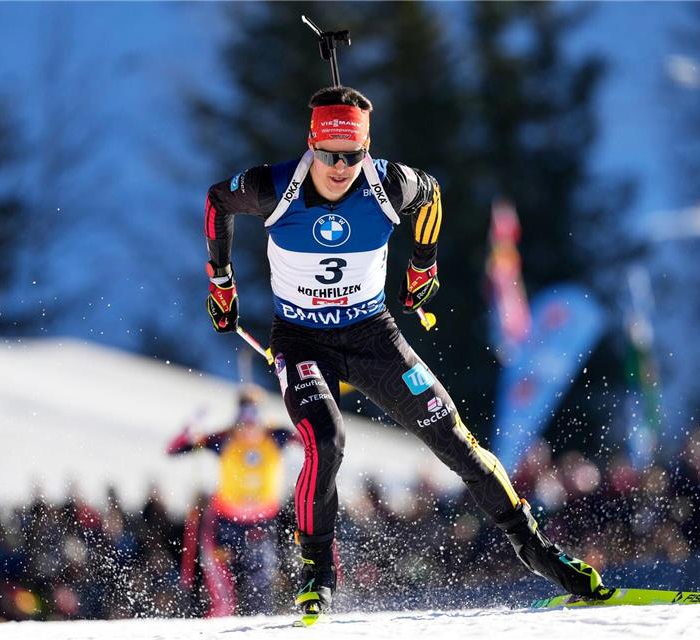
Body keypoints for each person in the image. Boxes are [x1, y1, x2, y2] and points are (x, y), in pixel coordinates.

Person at [203, 86, 605, 618]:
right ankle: (318, 574)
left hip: (374, 336)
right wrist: (222, 282)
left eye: (353, 155)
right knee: (325, 439)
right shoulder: (274, 186)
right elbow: (216, 201)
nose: (341, 167)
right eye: (329, 155)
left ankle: (538, 552)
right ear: (311, 146)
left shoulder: (387, 182)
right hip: (303, 341)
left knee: (456, 441)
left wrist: (423, 266)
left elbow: (432, 195)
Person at [166, 385, 297, 616]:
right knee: (223, 598)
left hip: (261, 524)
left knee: (261, 588)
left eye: (254, 417)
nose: (248, 426)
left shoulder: (277, 436)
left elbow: (316, 441)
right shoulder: (223, 439)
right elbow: (174, 449)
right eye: (243, 418)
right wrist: (190, 427)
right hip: (224, 525)